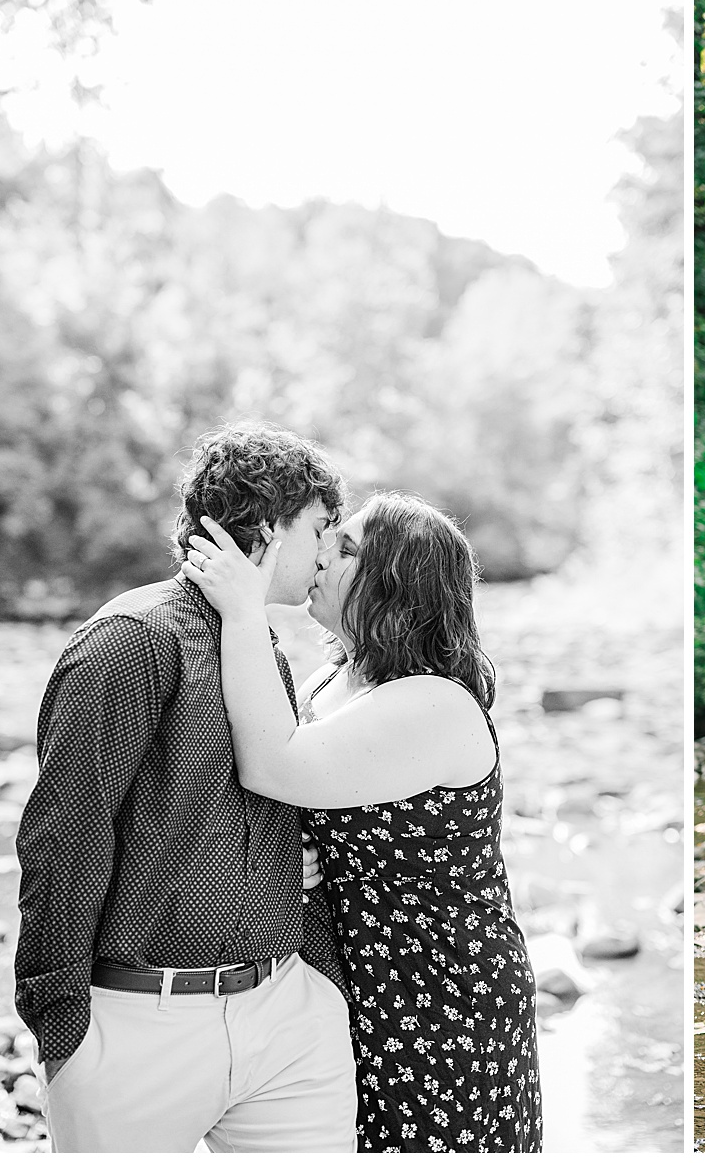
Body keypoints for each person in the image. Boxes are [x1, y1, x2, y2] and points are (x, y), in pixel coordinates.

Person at [15, 421, 358, 1152]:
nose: (332, 549)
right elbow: (64, 836)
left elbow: (270, 790)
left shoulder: (260, 642)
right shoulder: (130, 641)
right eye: (322, 527)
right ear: (267, 524)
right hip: (138, 1030)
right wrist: (63, 1023)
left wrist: (316, 959)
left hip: (287, 1022)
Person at [181, 490, 543, 1152]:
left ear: (394, 586)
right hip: (359, 984)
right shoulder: (333, 678)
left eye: (345, 548)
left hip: (442, 997)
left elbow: (272, 765)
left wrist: (241, 607)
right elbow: (273, 794)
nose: (322, 552)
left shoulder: (434, 703)